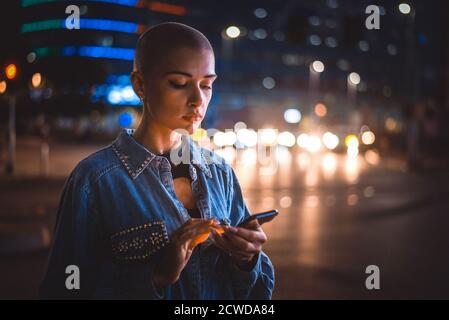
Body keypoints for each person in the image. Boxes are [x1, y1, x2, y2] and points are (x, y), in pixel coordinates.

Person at [40, 22, 275, 299]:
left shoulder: (219, 172)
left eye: (207, 85)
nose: (198, 100)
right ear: (140, 84)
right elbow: (64, 289)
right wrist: (156, 276)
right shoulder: (94, 181)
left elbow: (255, 296)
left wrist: (247, 260)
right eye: (179, 83)